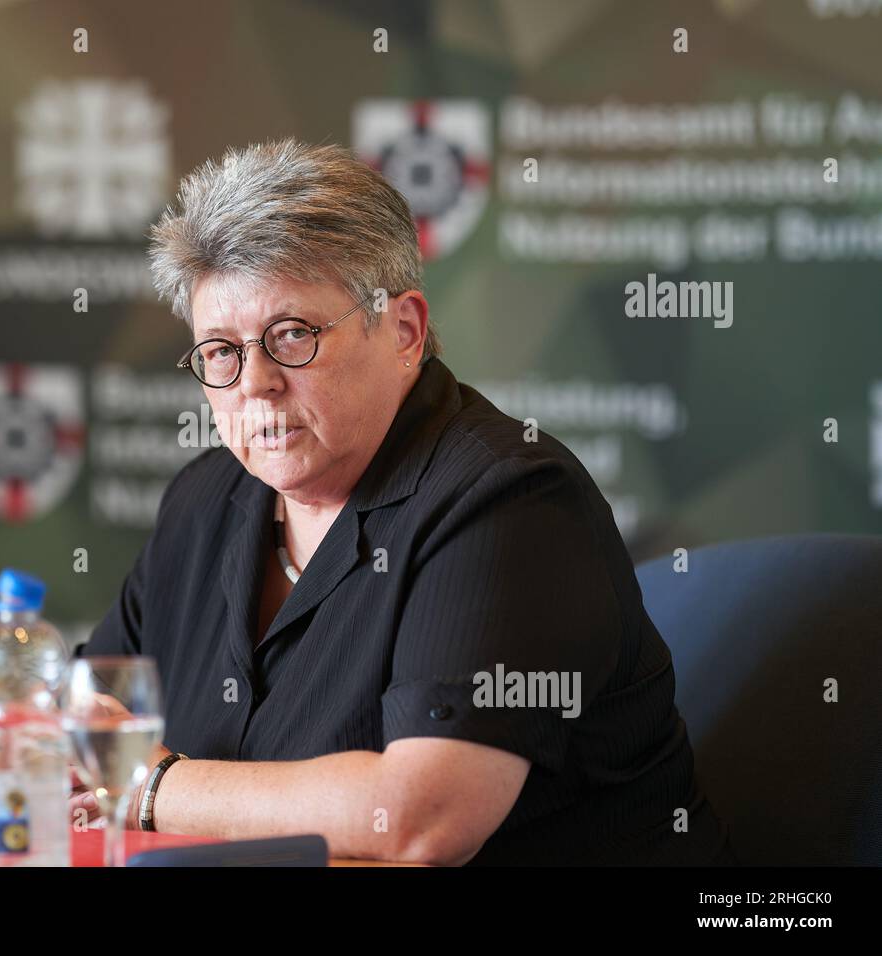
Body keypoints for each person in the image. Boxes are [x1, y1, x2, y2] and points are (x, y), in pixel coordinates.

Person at [72, 138, 734, 866]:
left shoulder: (508, 501)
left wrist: (152, 784)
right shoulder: (207, 499)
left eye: (291, 335)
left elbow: (419, 820)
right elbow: (85, 717)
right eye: (221, 351)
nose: (253, 383)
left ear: (405, 332)